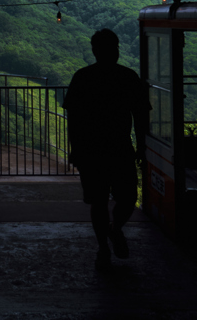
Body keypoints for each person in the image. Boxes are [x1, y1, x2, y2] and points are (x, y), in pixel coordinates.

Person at [63, 28, 151, 271]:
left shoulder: (83, 77)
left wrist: (75, 148)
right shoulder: (128, 77)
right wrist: (142, 147)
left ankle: (105, 243)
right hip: (120, 148)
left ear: (94, 50)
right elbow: (141, 116)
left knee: (99, 202)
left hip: (91, 151)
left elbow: (74, 118)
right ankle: (112, 234)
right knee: (127, 198)